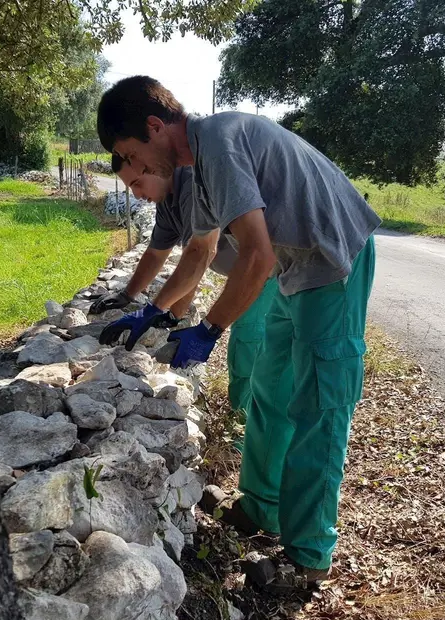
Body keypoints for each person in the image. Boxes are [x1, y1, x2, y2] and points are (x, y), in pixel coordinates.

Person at [96, 76, 381, 586]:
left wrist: (209, 328)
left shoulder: (220, 142)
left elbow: (256, 253)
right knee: (272, 390)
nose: (135, 170)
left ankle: (308, 557)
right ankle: (263, 506)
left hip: (334, 260)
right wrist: (153, 311)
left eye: (131, 154)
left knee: (319, 404)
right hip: (293, 270)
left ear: (155, 127)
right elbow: (200, 252)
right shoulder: (197, 168)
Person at [96, 155, 278, 414]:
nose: (137, 195)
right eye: (131, 188)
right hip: (253, 267)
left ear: (156, 167)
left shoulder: (192, 185)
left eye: (138, 183)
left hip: (266, 266)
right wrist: (128, 295)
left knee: (248, 338)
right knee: (260, 339)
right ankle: (251, 416)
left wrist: (161, 313)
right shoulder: (167, 204)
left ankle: (245, 416)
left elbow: (199, 256)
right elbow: (156, 253)